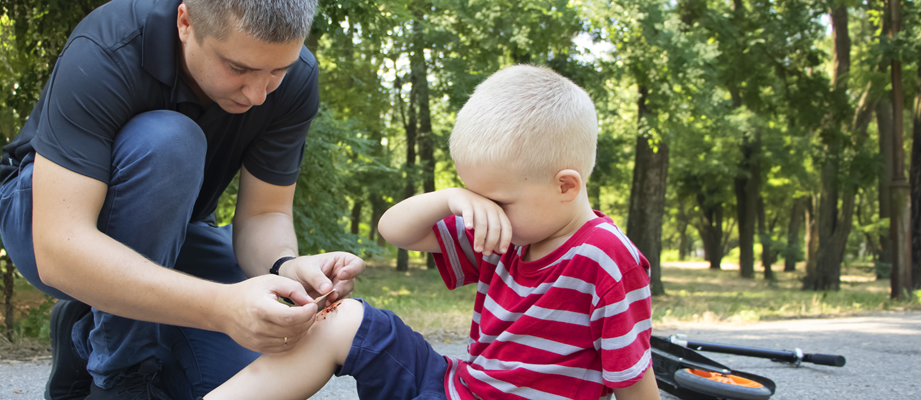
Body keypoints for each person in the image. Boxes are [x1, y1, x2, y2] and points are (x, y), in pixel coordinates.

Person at [202, 65, 661, 400]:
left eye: (494, 201)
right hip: (452, 386)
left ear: (565, 186)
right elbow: (393, 230)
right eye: (473, 197)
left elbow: (633, 380)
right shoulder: (503, 233)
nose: (482, 212)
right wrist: (450, 199)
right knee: (340, 319)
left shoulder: (604, 257)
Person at [0, 0, 364, 399]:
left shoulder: (296, 79)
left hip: (181, 230)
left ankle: (86, 325)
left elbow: (265, 213)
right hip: (43, 216)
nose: (258, 95)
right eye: (237, 68)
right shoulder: (109, 47)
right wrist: (222, 307)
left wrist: (286, 266)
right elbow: (58, 247)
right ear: (186, 22)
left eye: (277, 71)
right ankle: (121, 374)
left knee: (240, 384)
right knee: (170, 141)